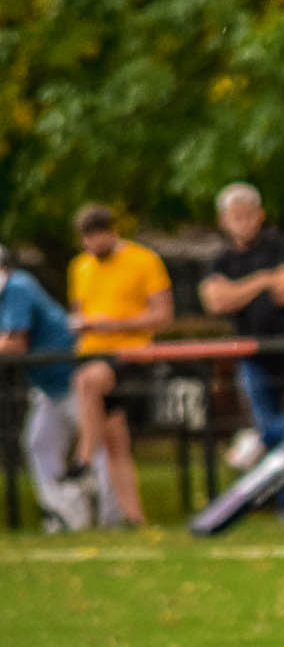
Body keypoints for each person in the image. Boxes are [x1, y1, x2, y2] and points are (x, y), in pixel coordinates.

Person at [198, 183, 284, 520]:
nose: (243, 222)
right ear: (224, 220)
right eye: (235, 216)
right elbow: (216, 301)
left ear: (260, 215)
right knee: (280, 445)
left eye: (248, 214)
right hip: (253, 355)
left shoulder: (279, 245)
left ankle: (259, 437)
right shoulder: (220, 259)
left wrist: (239, 289)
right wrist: (264, 281)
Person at [67, 205, 171, 526]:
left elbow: (163, 316)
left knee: (87, 381)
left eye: (99, 237)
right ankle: (134, 518)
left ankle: (83, 461)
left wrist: (112, 324)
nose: (93, 245)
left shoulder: (144, 260)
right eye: (87, 239)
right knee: (116, 442)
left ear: (112, 232)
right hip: (91, 351)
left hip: (130, 354)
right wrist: (82, 325)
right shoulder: (80, 267)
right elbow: (78, 314)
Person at [0, 247, 92, 531]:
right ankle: (62, 513)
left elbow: (15, 343)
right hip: (47, 385)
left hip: (71, 377)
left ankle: (113, 517)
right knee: (39, 443)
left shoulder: (17, 286)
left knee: (95, 451)